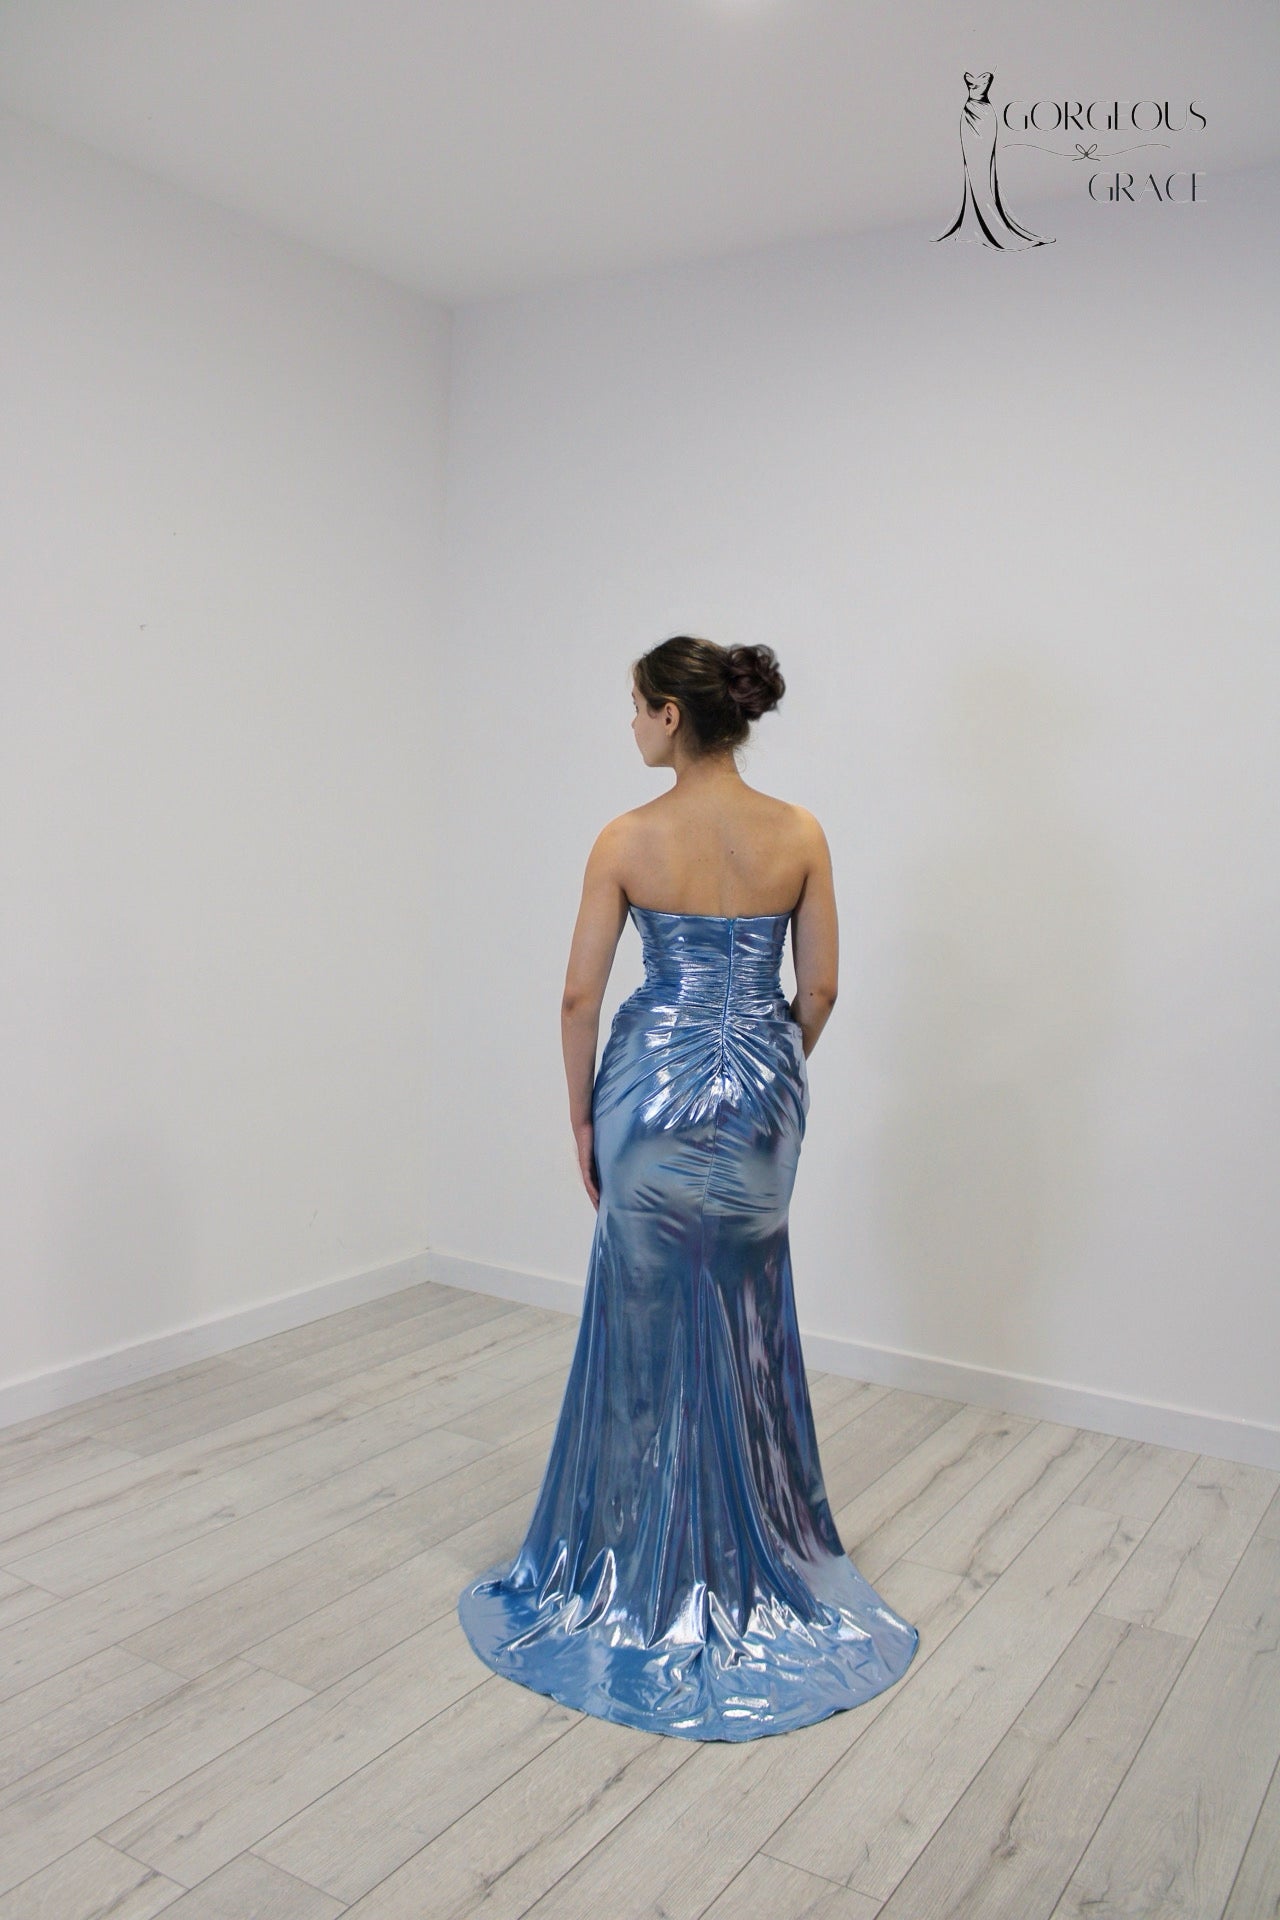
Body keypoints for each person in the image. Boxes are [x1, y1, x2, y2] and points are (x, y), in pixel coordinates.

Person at [456, 636, 920, 1740]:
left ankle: (630, 1560)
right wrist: (768, 1062)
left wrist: (582, 1112)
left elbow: (578, 999)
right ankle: (751, 1550)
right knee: (743, 1313)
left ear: (671, 715)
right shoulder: (799, 833)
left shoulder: (626, 839)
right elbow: (821, 986)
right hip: (761, 1091)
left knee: (642, 1317)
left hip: (647, 1089)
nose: (629, 725)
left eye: (634, 706)